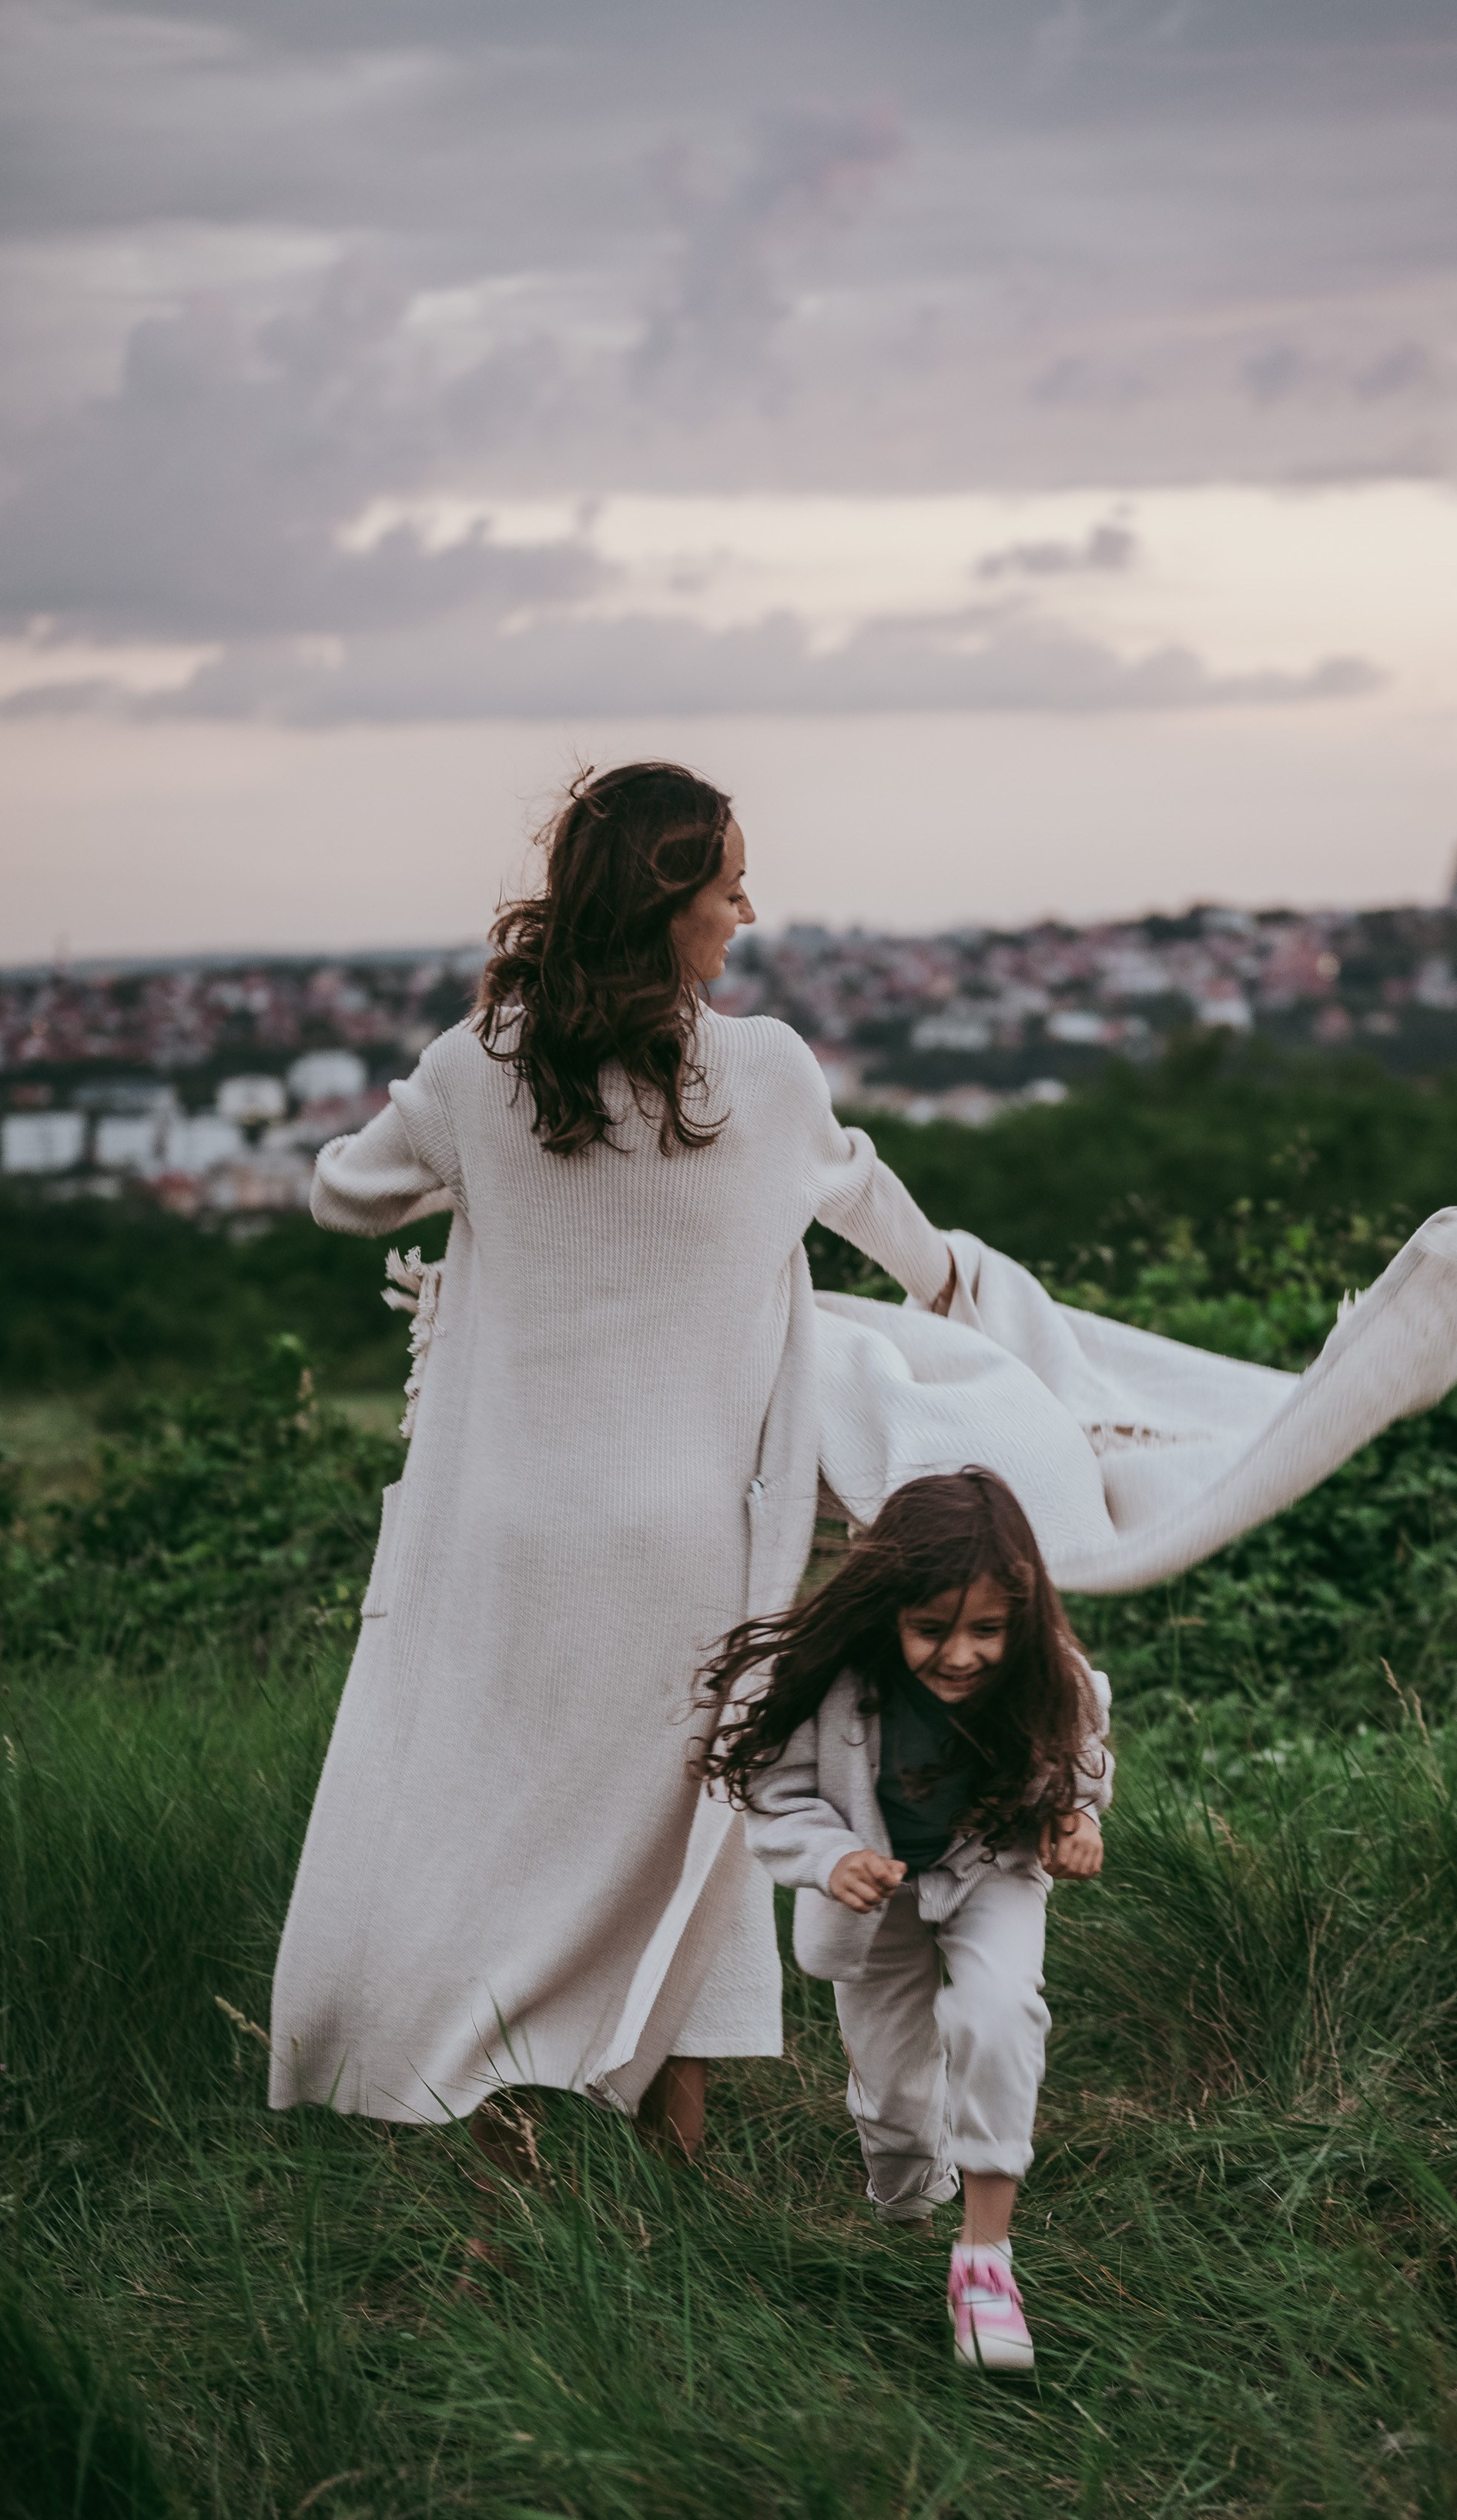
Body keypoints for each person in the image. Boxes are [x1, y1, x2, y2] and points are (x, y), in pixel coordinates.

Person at [267, 761, 958, 2150]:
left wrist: (470, 1153)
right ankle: (672, 2164)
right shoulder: (765, 1071)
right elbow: (868, 1195)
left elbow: (341, 1189)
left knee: (505, 1827)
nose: (747, 909)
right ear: (667, 903)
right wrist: (963, 1299)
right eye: (728, 883)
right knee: (682, 1844)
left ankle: (491, 2107)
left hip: (518, 1531)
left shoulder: (479, 1070)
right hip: (691, 1535)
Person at [699, 1468, 1113, 2374]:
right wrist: (832, 1856)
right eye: (931, 1629)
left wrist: (1072, 1824)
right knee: (895, 2105)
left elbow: (1079, 1779)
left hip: (988, 1871)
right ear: (890, 1610)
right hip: (877, 1895)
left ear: (1021, 1615)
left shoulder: (1055, 1679)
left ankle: (985, 2260)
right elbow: (776, 1794)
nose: (959, 1654)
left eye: (986, 1630)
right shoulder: (834, 1683)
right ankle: (903, 2214)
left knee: (999, 2012)